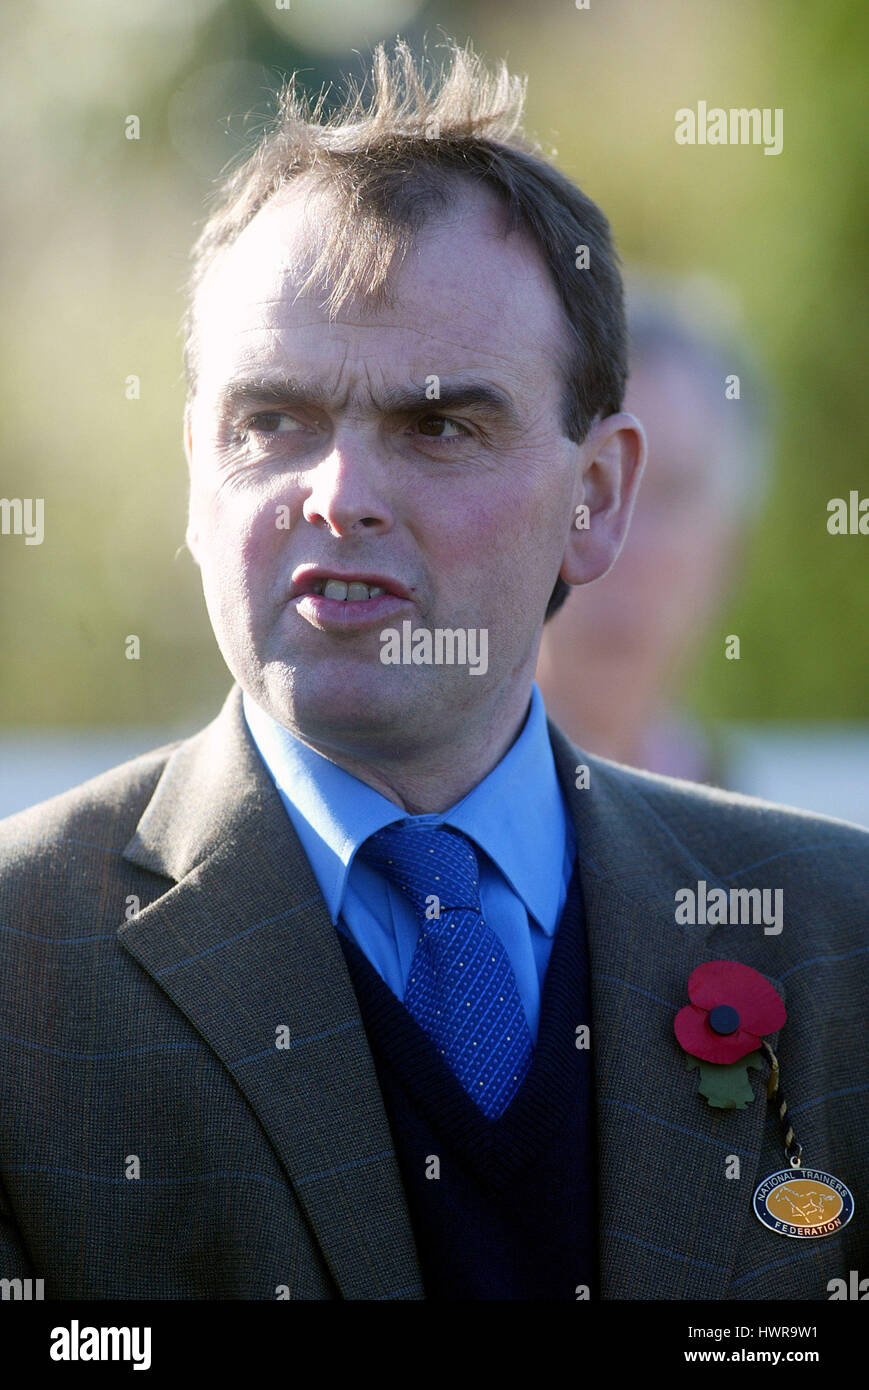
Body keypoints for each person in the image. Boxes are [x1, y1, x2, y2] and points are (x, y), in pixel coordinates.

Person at [0, 40, 865, 1302]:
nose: (338, 496)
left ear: (598, 496)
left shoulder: (831, 940)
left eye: (439, 425)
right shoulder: (23, 972)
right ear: (195, 469)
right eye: (270, 421)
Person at [537, 281, 770, 783]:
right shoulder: (416, 811)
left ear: (730, 550)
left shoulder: (766, 838)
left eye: (670, 496)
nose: (622, 548)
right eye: (592, 486)